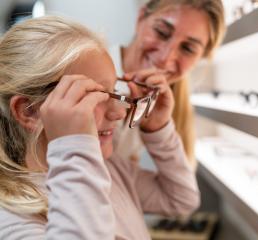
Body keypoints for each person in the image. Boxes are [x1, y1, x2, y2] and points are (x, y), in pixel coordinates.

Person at [0, 16, 199, 240]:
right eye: (94, 95)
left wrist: (159, 128)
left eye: (115, 91)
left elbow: (181, 199)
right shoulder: (12, 220)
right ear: (29, 111)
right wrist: (72, 146)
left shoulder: (110, 168)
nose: (120, 112)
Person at [110, 0, 226, 170]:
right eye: (161, 32)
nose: (165, 58)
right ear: (141, 18)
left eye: (187, 48)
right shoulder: (85, 72)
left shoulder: (160, 104)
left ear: (201, 57)